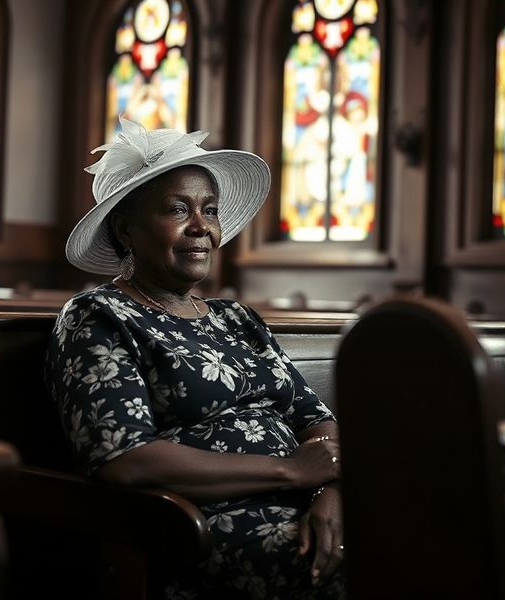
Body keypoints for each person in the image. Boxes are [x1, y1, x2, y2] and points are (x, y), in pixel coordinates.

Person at [46, 117, 344, 599]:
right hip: (200, 524)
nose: (201, 227)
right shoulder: (99, 316)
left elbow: (317, 423)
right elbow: (126, 460)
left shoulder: (238, 319)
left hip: (307, 502)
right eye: (177, 209)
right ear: (125, 229)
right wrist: (290, 470)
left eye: (210, 209)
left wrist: (329, 493)